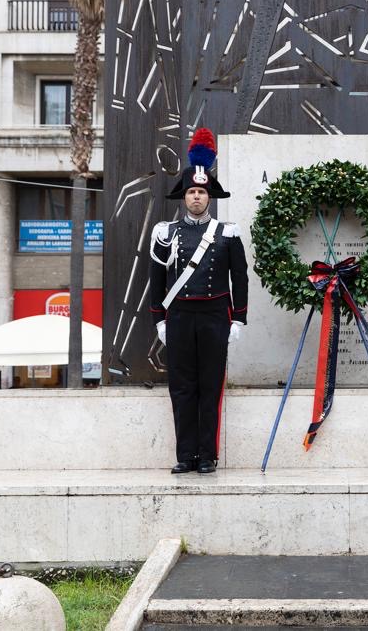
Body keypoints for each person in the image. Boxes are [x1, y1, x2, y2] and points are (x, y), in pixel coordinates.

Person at [149, 128, 248, 475]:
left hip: (213, 316)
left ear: (210, 197)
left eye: (201, 192)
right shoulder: (165, 233)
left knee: (210, 387)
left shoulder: (228, 233)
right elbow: (157, 279)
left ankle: (208, 455)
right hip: (179, 317)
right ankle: (185, 455)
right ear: (183, 196)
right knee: (182, 388)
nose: (196, 197)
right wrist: (159, 319)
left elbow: (241, 278)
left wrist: (238, 320)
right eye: (191, 191)